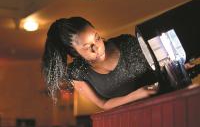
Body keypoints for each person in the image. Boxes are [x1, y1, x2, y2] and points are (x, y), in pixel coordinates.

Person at [41, 17, 195, 110]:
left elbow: (160, 63)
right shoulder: (76, 73)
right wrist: (136, 95)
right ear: (74, 52)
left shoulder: (127, 43)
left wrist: (177, 66)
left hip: (169, 101)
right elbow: (103, 103)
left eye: (97, 38)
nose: (98, 47)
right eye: (88, 47)